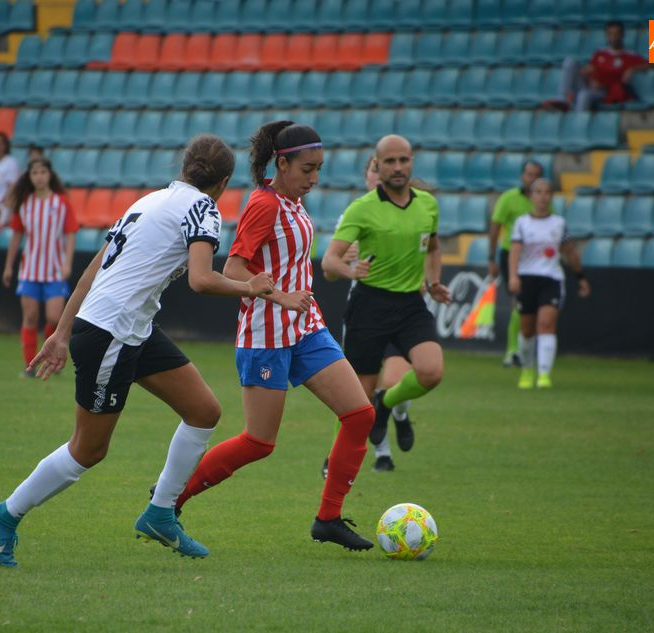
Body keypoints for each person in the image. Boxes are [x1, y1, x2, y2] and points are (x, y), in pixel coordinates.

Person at [0, 135, 276, 566]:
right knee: (88, 449)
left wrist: (62, 331)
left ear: (185, 166)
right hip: (110, 332)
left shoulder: (149, 201)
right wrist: (249, 287)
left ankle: (160, 513)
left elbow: (95, 267)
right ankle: (5, 515)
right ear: (223, 182)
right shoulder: (203, 209)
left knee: (204, 411)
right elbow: (201, 279)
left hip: (129, 327)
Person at [172, 121, 380, 552]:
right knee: (259, 442)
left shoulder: (296, 202)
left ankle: (328, 518)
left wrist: (296, 301)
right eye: (307, 169)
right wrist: (283, 296)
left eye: (319, 168)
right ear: (281, 163)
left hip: (307, 329)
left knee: (360, 415)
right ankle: (171, 496)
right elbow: (231, 269)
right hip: (266, 334)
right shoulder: (264, 204)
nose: (315, 178)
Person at [322, 135, 451, 466]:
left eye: (403, 160)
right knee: (358, 398)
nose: (397, 167)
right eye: (389, 162)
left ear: (411, 162)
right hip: (369, 305)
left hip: (410, 304)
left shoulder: (427, 205)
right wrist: (351, 272)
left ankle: (387, 404)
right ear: (377, 167)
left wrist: (434, 281)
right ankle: (335, 460)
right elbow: (329, 262)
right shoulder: (361, 210)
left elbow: (433, 248)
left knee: (431, 371)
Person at [319, 154, 415, 478]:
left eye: (383, 168)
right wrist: (347, 266)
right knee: (358, 392)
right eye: (374, 169)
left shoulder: (413, 209)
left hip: (403, 309)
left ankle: (398, 410)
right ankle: (373, 455)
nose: (380, 175)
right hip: (365, 312)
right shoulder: (355, 214)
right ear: (367, 177)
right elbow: (331, 271)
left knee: (396, 382)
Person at [508, 178, 590, 389]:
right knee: (527, 330)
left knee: (546, 324)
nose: (543, 197)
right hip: (527, 278)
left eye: (547, 192)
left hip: (551, 279)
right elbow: (515, 251)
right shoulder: (522, 223)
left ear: (551, 197)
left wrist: (580, 277)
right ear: (531, 196)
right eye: (538, 192)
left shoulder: (559, 223)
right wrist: (513, 276)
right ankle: (527, 370)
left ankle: (544, 375)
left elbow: (570, 252)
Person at [2, 158, 78, 379]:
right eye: (35, 172)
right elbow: (16, 236)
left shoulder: (61, 202)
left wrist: (67, 263)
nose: (39, 176)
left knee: (55, 318)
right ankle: (29, 366)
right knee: (31, 317)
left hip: (54, 270)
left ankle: (47, 353)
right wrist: (8, 266)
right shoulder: (25, 204)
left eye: (43, 171)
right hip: (29, 271)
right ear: (30, 177)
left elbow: (71, 233)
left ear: (50, 175)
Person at [488, 160, 546, 367]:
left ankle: (525, 349)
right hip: (511, 255)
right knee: (518, 303)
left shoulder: (543, 200)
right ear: (523, 176)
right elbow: (495, 228)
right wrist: (491, 258)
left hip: (536, 258)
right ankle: (513, 351)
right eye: (528, 174)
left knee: (532, 306)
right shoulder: (509, 198)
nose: (531, 179)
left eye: (535, 175)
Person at [559, 21, 648, 111]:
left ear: (622, 35)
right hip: (588, 86)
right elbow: (590, 69)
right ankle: (562, 101)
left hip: (604, 91)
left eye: (616, 34)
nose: (613, 37)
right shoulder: (600, 54)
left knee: (584, 95)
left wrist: (633, 69)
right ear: (607, 36)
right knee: (569, 62)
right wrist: (589, 77)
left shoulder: (629, 56)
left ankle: (579, 122)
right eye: (610, 34)